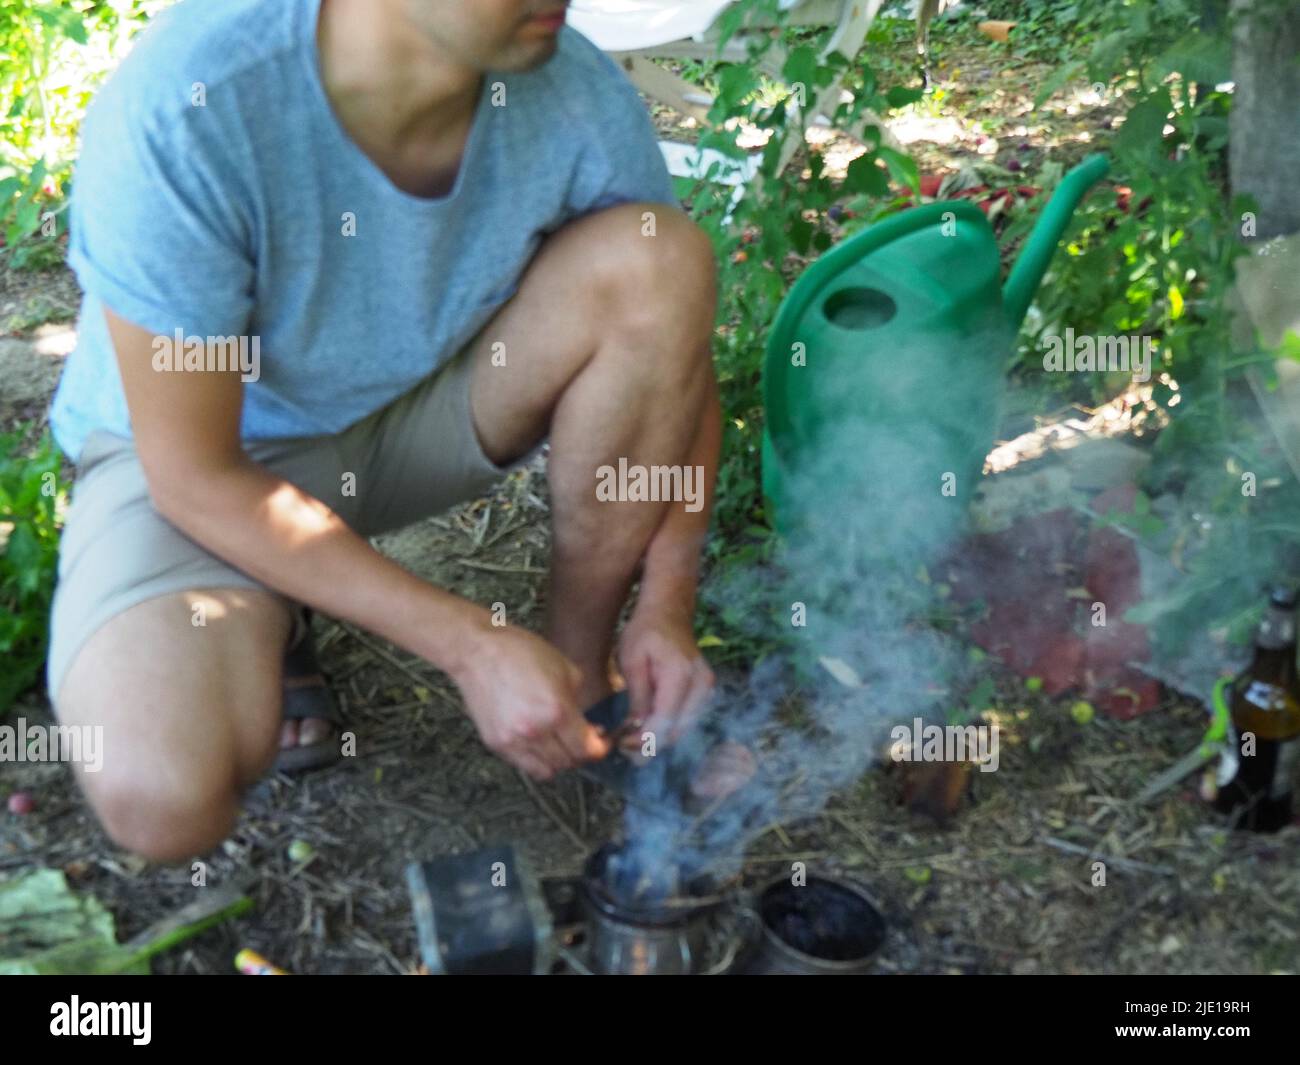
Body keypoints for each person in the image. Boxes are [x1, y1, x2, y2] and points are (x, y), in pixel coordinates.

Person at [47, 0, 720, 862]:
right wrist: (470, 644)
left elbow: (677, 351)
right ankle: (272, 605)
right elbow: (193, 475)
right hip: (211, 466)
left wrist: (666, 604)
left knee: (660, 259)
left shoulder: (570, 88)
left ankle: (579, 674)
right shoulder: (191, 102)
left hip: (417, 419)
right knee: (164, 797)